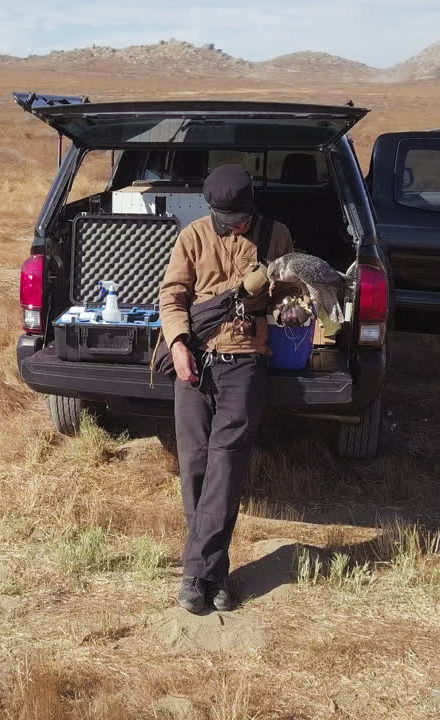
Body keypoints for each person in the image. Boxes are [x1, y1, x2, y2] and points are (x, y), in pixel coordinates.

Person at [158, 164, 293, 613]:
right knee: (194, 464)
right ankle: (214, 573)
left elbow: (286, 296)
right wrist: (178, 344)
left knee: (226, 467)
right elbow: (172, 295)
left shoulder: (276, 235)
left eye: (240, 217)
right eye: (225, 218)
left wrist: (289, 305)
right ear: (210, 208)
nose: (235, 225)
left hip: (245, 362)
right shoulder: (192, 236)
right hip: (195, 358)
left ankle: (195, 575)